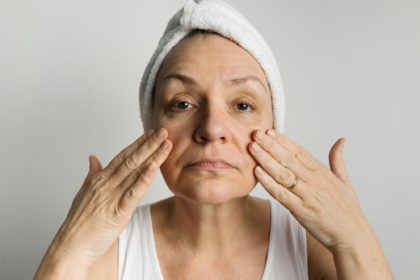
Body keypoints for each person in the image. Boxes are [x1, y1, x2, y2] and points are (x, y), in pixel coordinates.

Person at [34, 1, 393, 279]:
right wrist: (68, 251)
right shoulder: (107, 253)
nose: (211, 128)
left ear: (274, 128)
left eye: (241, 104)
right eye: (183, 103)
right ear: (150, 126)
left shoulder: (315, 249)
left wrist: (355, 240)